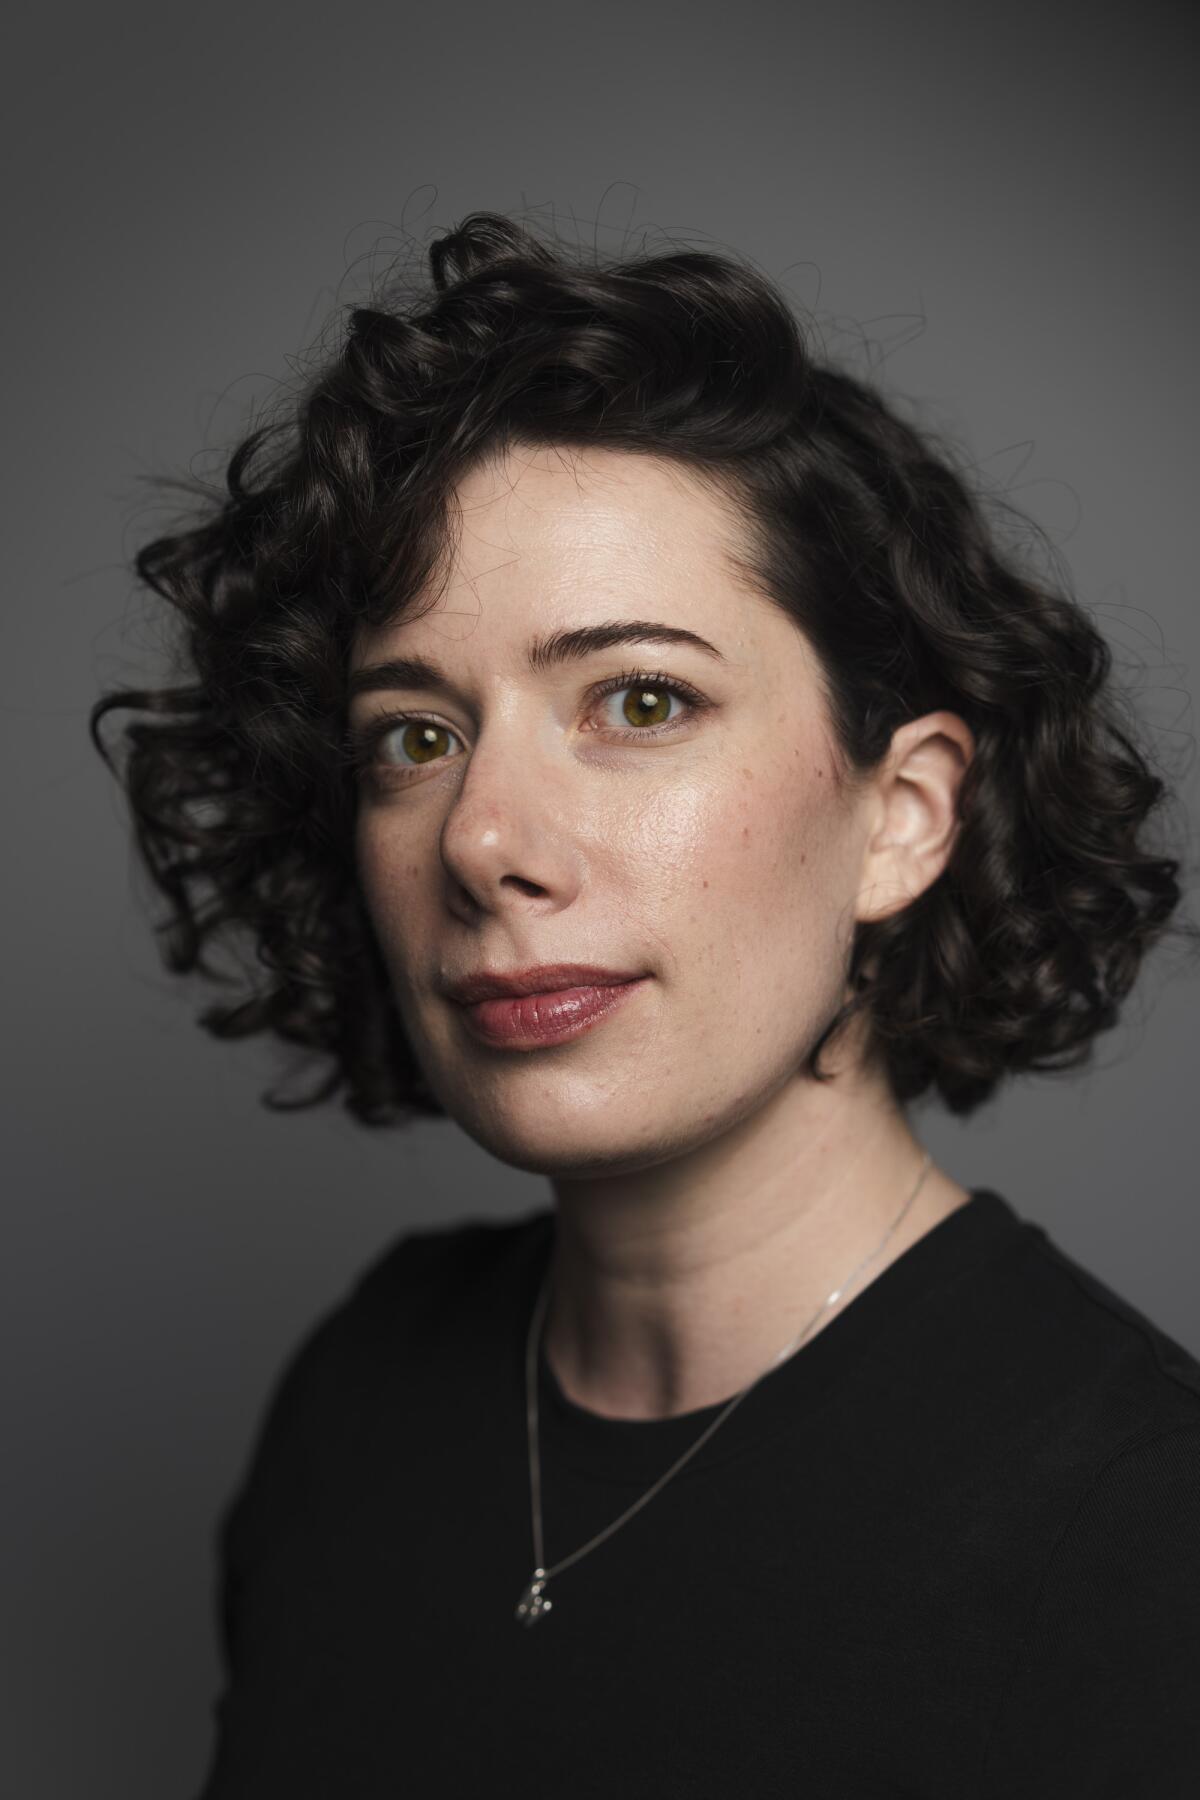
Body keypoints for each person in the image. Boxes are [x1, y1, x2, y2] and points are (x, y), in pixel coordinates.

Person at [91, 210, 1200, 1796]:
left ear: (901, 816)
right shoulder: (363, 1390)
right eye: (413, 735)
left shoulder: (1142, 1534)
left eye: (640, 700)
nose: (482, 839)